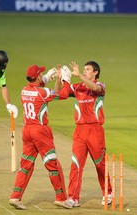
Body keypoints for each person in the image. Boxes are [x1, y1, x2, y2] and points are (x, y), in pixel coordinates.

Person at [8, 64, 73, 210]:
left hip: (27, 131)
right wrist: (66, 80)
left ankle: (15, 196)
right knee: (53, 165)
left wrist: (51, 76)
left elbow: (42, 88)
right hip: (41, 131)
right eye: (40, 74)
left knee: (26, 166)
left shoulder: (24, 90)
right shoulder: (42, 93)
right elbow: (62, 94)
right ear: (37, 76)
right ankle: (61, 198)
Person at [56, 61, 112, 207]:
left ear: (95, 73)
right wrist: (60, 79)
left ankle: (108, 192)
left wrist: (79, 75)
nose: (85, 71)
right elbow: (60, 94)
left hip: (95, 130)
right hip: (80, 130)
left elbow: (94, 87)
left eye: (88, 69)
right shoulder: (77, 88)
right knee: (76, 164)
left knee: (100, 164)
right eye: (84, 69)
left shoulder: (101, 86)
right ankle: (73, 198)